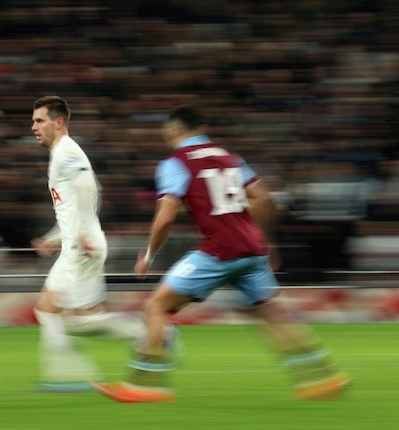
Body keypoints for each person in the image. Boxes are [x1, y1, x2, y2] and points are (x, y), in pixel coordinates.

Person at [92, 104, 351, 402]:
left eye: (167, 129)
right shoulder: (230, 158)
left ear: (174, 129)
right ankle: (324, 378)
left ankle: (145, 385)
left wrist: (149, 255)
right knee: (270, 314)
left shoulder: (175, 162)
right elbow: (264, 199)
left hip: (218, 251)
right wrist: (265, 242)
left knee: (157, 307)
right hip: (252, 249)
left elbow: (165, 217)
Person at [30, 95, 147, 392]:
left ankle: (69, 375)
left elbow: (87, 185)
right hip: (80, 243)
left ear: (58, 123)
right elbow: (89, 192)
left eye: (39, 120)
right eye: (33, 121)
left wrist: (81, 232)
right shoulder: (63, 153)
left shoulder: (66, 151)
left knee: (48, 309)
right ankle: (147, 333)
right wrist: (54, 239)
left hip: (81, 246)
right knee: (80, 321)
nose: (34, 127)